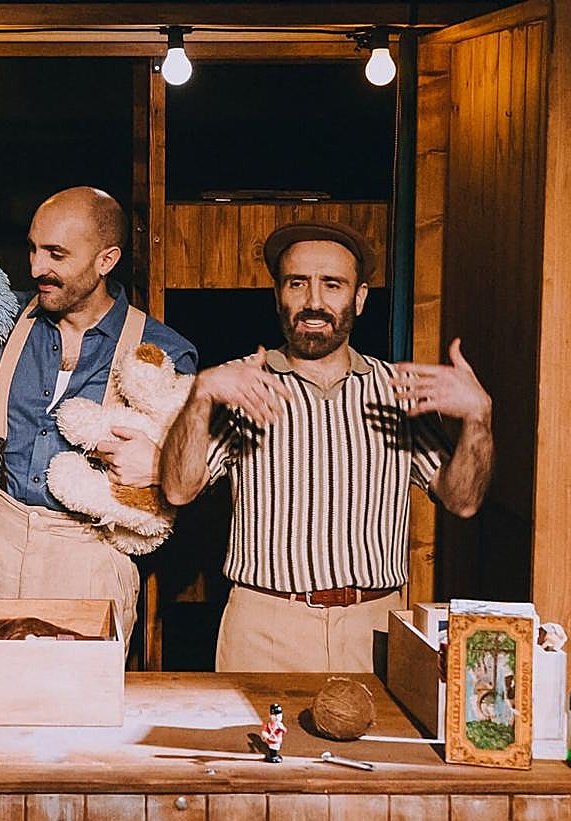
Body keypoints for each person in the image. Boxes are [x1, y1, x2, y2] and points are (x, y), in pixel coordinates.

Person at [160, 220, 493, 673]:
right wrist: (199, 396)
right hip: (264, 627)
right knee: (261, 746)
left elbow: (464, 500)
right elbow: (179, 490)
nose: (314, 302)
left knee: (375, 747)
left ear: (359, 298)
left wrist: (478, 418)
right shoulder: (240, 384)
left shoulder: (397, 390)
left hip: (373, 625)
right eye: (298, 283)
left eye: (332, 284)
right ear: (278, 294)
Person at [0, 187, 197, 645]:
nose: (37, 268)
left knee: (76, 708)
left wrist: (162, 464)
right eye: (33, 249)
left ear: (106, 260)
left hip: (89, 553)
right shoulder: (1, 318)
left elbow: (202, 466)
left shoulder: (164, 350)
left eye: (56, 254)